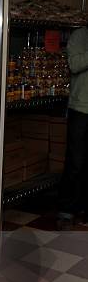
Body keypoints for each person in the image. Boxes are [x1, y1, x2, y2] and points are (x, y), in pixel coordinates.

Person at [57, 24, 88, 229]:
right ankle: (67, 210)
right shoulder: (79, 35)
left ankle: (83, 206)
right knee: (76, 161)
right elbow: (74, 64)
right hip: (81, 109)